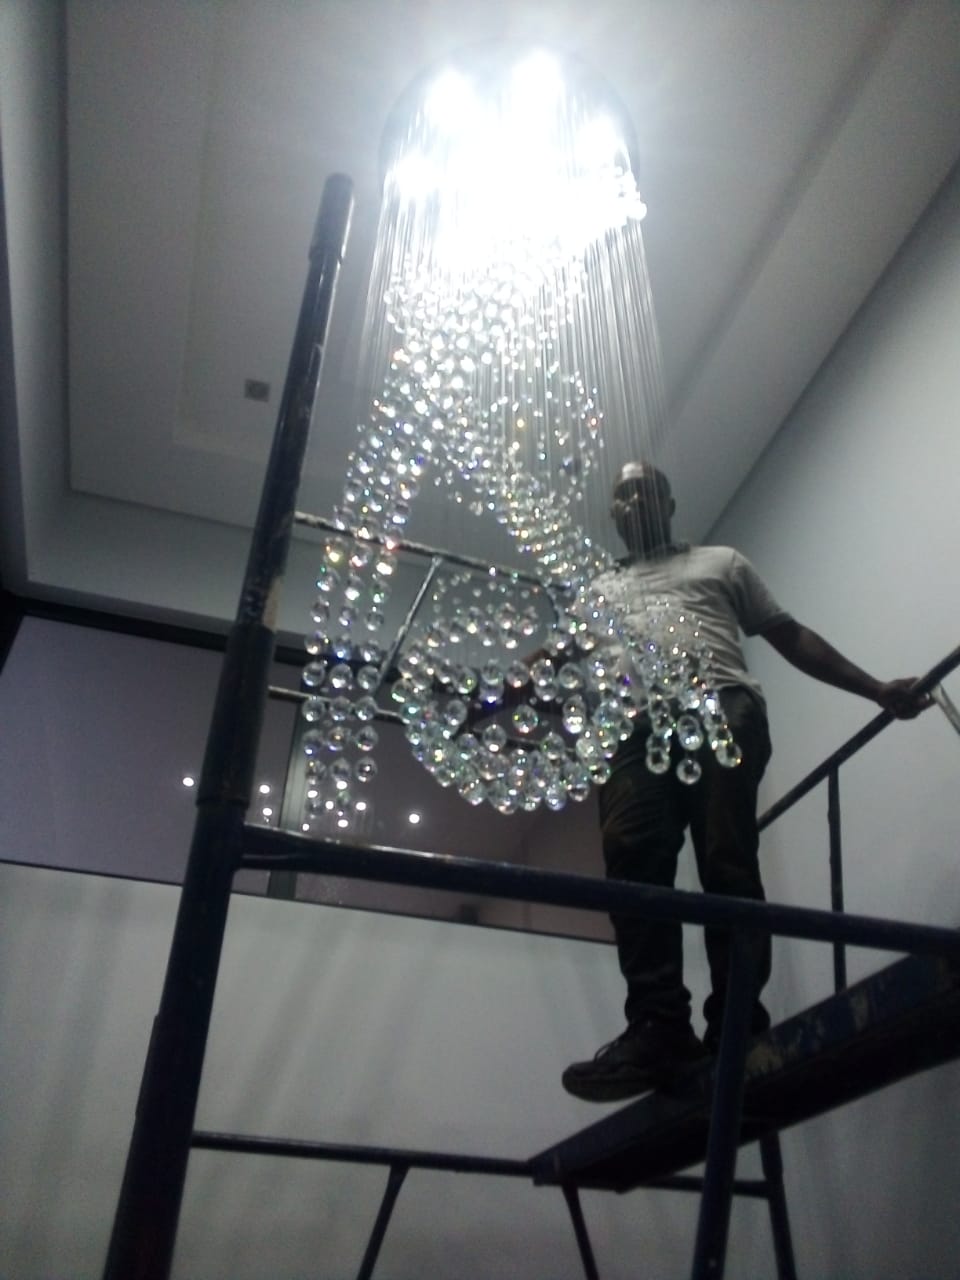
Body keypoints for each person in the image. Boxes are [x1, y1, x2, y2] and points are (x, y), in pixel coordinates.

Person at [562, 460, 930, 1103]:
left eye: (644, 491)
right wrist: (480, 700)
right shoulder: (597, 592)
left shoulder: (720, 563)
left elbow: (790, 635)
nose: (631, 503)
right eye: (620, 497)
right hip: (632, 729)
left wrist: (874, 688)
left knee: (726, 859)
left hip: (721, 705)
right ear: (612, 514)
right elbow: (555, 661)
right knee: (630, 860)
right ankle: (657, 1029)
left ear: (669, 503)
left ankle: (736, 1023)